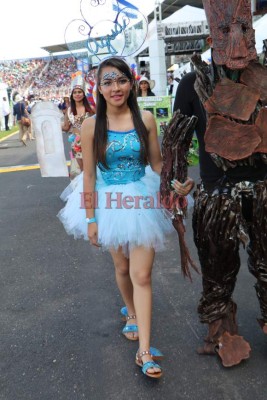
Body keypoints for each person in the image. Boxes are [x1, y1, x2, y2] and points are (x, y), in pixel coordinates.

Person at [58, 57, 192, 379]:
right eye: (107, 82)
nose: (115, 87)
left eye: (120, 80)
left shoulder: (145, 118)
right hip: (108, 202)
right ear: (99, 89)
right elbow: (89, 176)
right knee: (122, 267)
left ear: (131, 83)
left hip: (142, 198)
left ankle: (144, 350)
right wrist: (91, 218)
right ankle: (130, 311)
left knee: (141, 274)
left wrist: (177, 182)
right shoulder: (91, 125)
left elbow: (158, 165)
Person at [173, 0, 267, 368]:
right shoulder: (191, 85)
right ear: (212, 37)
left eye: (246, 30)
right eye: (228, 31)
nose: (240, 41)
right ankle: (220, 329)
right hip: (217, 195)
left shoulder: (264, 81)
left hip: (264, 191)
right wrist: (177, 181)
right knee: (217, 264)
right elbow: (177, 140)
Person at [61, 72, 94, 172]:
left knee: (92, 169)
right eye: (75, 92)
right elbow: (66, 127)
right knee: (81, 171)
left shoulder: (91, 109)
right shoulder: (69, 110)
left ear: (83, 94)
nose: (77, 94)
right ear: (72, 95)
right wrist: (53, 125)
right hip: (76, 144)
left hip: (91, 142)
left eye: (79, 92)